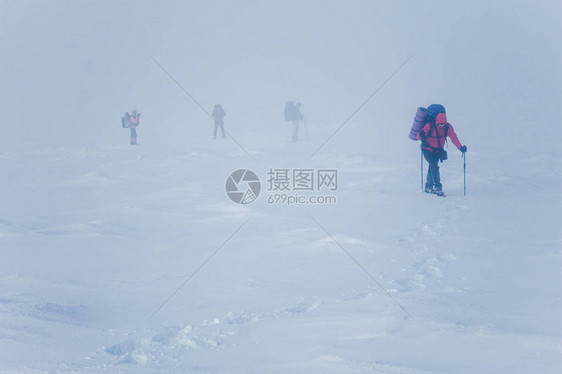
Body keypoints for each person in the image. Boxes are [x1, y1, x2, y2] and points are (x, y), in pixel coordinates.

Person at [417, 112, 467, 196]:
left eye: (443, 124)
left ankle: (428, 187)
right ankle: (438, 187)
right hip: (427, 149)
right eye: (440, 124)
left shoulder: (448, 127)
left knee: (432, 166)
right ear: (437, 122)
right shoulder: (430, 125)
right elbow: (418, 136)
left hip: (437, 151)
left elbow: (453, 138)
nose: (441, 126)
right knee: (434, 165)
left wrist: (460, 147)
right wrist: (420, 135)